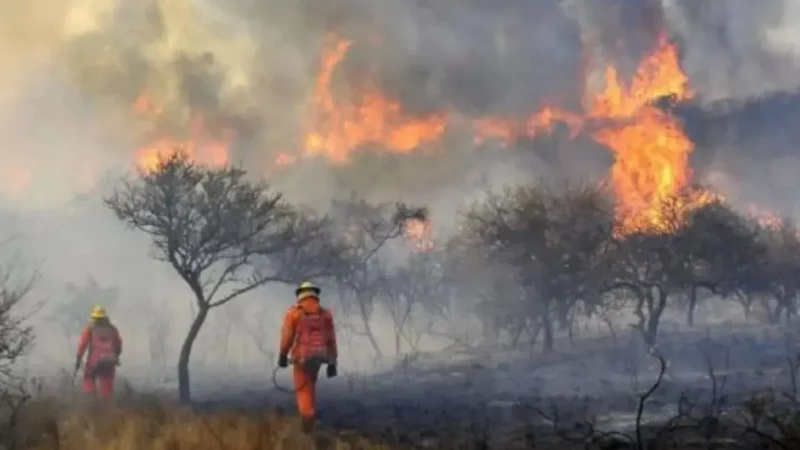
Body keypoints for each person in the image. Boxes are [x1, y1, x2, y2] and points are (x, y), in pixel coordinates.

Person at [278, 281, 338, 425]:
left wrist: (282, 355)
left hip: (301, 358)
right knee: (310, 385)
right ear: (315, 294)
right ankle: (310, 412)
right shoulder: (325, 314)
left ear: (300, 295)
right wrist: (332, 363)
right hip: (319, 357)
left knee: (303, 388)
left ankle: (307, 420)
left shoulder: (294, 313)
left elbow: (287, 336)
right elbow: (331, 340)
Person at [75, 305, 122, 401]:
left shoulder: (90, 329)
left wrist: (78, 359)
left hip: (94, 361)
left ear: (94, 318)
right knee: (107, 380)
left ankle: (91, 396)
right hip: (110, 360)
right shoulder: (113, 329)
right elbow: (118, 345)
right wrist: (115, 356)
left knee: (88, 378)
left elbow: (82, 345)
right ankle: (105, 404)